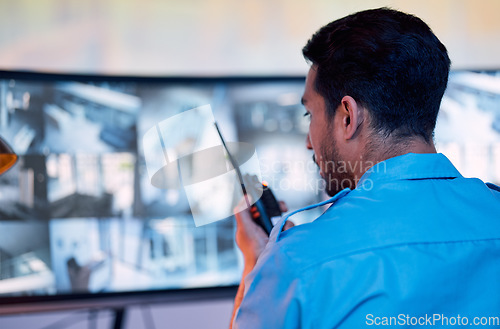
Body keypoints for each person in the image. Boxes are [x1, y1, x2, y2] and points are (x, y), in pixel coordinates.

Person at [230, 7, 500, 329]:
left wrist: (257, 265)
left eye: (309, 116)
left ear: (348, 116)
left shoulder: (297, 263)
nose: (307, 141)